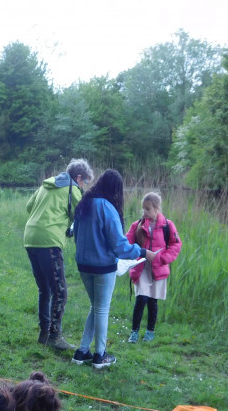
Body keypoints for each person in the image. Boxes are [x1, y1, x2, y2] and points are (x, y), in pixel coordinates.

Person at [72, 169, 157, 369]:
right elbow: (120, 246)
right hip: (102, 267)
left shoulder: (84, 203)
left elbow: (76, 234)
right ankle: (100, 356)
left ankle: (82, 351)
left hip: (83, 264)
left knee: (96, 307)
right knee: (101, 309)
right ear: (115, 189)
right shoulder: (107, 207)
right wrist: (142, 252)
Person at [24, 158, 94, 350]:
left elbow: (29, 207)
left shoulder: (47, 184)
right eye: (85, 182)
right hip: (49, 241)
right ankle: (55, 337)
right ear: (78, 177)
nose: (84, 186)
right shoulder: (73, 190)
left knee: (45, 289)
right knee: (60, 291)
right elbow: (83, 215)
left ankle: (44, 333)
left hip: (30, 238)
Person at [125, 192, 182, 342]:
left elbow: (176, 244)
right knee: (141, 298)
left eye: (148, 209)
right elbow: (126, 242)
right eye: (143, 208)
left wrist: (164, 258)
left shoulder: (167, 226)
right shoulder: (137, 225)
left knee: (152, 301)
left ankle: (150, 331)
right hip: (141, 268)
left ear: (157, 208)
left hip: (158, 268)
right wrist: (135, 254)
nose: (145, 212)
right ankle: (134, 332)